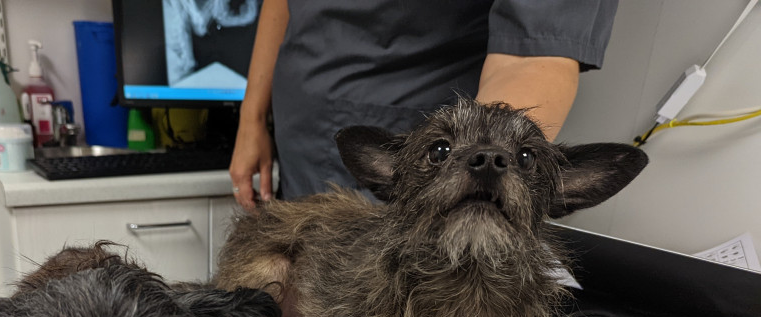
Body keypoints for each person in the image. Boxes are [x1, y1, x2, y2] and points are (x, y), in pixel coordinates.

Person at [229, 0, 620, 210]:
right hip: (302, 139)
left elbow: (534, 54)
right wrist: (252, 118)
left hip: (413, 149)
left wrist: (474, 190)